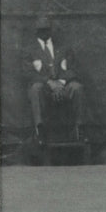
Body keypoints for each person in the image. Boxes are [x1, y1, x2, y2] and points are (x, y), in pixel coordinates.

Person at [24, 15, 86, 143]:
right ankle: (39, 131)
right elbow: (28, 73)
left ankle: (80, 129)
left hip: (63, 85)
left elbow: (73, 68)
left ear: (51, 30)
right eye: (41, 30)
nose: (44, 32)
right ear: (36, 31)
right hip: (44, 87)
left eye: (47, 29)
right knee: (36, 89)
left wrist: (61, 82)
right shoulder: (29, 50)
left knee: (77, 88)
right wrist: (49, 82)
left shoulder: (63, 48)